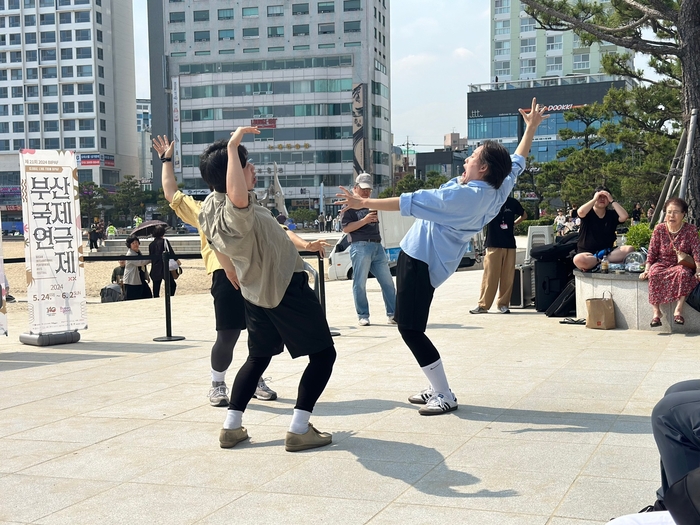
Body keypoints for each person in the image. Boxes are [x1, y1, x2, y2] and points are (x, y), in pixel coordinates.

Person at [336, 98, 548, 416]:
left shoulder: (465, 196)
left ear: (484, 169)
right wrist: (530, 127)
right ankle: (436, 387)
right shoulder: (497, 188)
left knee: (410, 329)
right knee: (411, 327)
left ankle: (444, 393)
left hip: (422, 262)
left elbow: (411, 200)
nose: (466, 162)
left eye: (471, 159)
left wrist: (362, 203)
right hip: (423, 258)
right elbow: (517, 162)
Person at [198, 127, 337, 451]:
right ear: (232, 173)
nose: (253, 170)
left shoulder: (209, 206)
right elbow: (237, 196)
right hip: (284, 289)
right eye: (247, 166)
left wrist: (230, 267)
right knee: (323, 356)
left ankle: (231, 427)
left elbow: (227, 237)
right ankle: (299, 428)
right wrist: (233, 146)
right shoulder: (237, 212)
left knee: (257, 358)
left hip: (256, 293)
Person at [152, 135, 282, 407]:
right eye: (246, 164)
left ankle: (254, 378)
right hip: (226, 278)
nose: (253, 169)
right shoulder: (205, 209)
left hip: (256, 275)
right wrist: (166, 161)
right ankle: (217, 383)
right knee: (228, 334)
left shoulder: (253, 206)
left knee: (260, 334)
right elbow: (171, 193)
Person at [341, 173, 397, 326]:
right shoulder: (349, 205)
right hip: (360, 245)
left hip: (377, 244)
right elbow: (346, 228)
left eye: (369, 190)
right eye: (363, 189)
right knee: (359, 283)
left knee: (388, 282)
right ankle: (362, 314)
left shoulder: (371, 202)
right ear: (355, 188)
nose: (366, 192)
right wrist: (364, 220)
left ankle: (393, 314)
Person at [639, 197, 700, 327]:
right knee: (654, 273)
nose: (671, 215)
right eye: (669, 212)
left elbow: (696, 252)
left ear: (683, 214)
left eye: (676, 212)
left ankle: (678, 310)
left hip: (681, 264)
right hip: (662, 263)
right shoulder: (659, 229)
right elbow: (652, 252)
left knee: (683, 273)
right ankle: (656, 313)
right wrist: (647, 270)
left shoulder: (691, 230)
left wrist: (699, 270)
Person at [470, 196, 526, 314]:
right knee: (490, 276)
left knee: (507, 276)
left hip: (509, 243)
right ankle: (483, 305)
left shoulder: (512, 202)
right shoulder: (489, 200)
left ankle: (503, 304)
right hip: (493, 243)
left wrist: (514, 224)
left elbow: (524, 215)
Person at [572, 186, 635, 271]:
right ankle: (602, 263)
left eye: (605, 197)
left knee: (629, 249)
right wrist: (594, 199)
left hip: (607, 253)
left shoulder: (611, 214)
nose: (602, 199)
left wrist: (612, 200)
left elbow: (624, 216)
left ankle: (601, 263)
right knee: (578, 259)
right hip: (588, 254)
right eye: (599, 197)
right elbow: (581, 212)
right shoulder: (588, 213)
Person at [148, 225, 178, 298]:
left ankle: (156, 300)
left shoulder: (151, 244)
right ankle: (169, 298)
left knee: (156, 287)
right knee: (172, 285)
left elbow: (151, 257)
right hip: (165, 267)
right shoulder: (165, 241)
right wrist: (176, 260)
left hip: (155, 267)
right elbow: (171, 252)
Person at [123, 236, 151, 301]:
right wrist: (151, 259)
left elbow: (143, 267)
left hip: (140, 279)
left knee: (147, 295)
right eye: (133, 243)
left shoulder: (138, 252)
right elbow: (140, 263)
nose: (135, 244)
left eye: (136, 242)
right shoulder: (130, 254)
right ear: (129, 245)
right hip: (132, 281)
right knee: (132, 299)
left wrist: (146, 276)